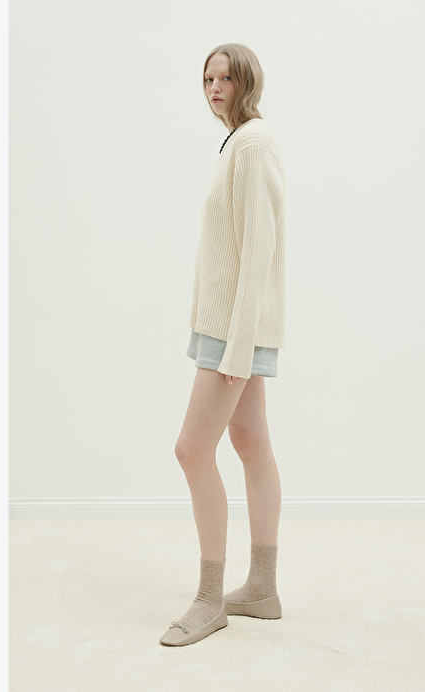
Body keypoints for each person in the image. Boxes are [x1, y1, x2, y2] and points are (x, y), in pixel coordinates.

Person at [160, 43, 286, 647]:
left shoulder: (253, 144)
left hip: (234, 331)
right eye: (208, 78)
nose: (214, 87)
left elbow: (259, 247)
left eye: (226, 78)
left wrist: (237, 347)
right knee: (250, 442)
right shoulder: (237, 141)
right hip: (229, 325)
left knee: (191, 450)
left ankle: (211, 600)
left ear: (247, 82)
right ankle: (261, 587)